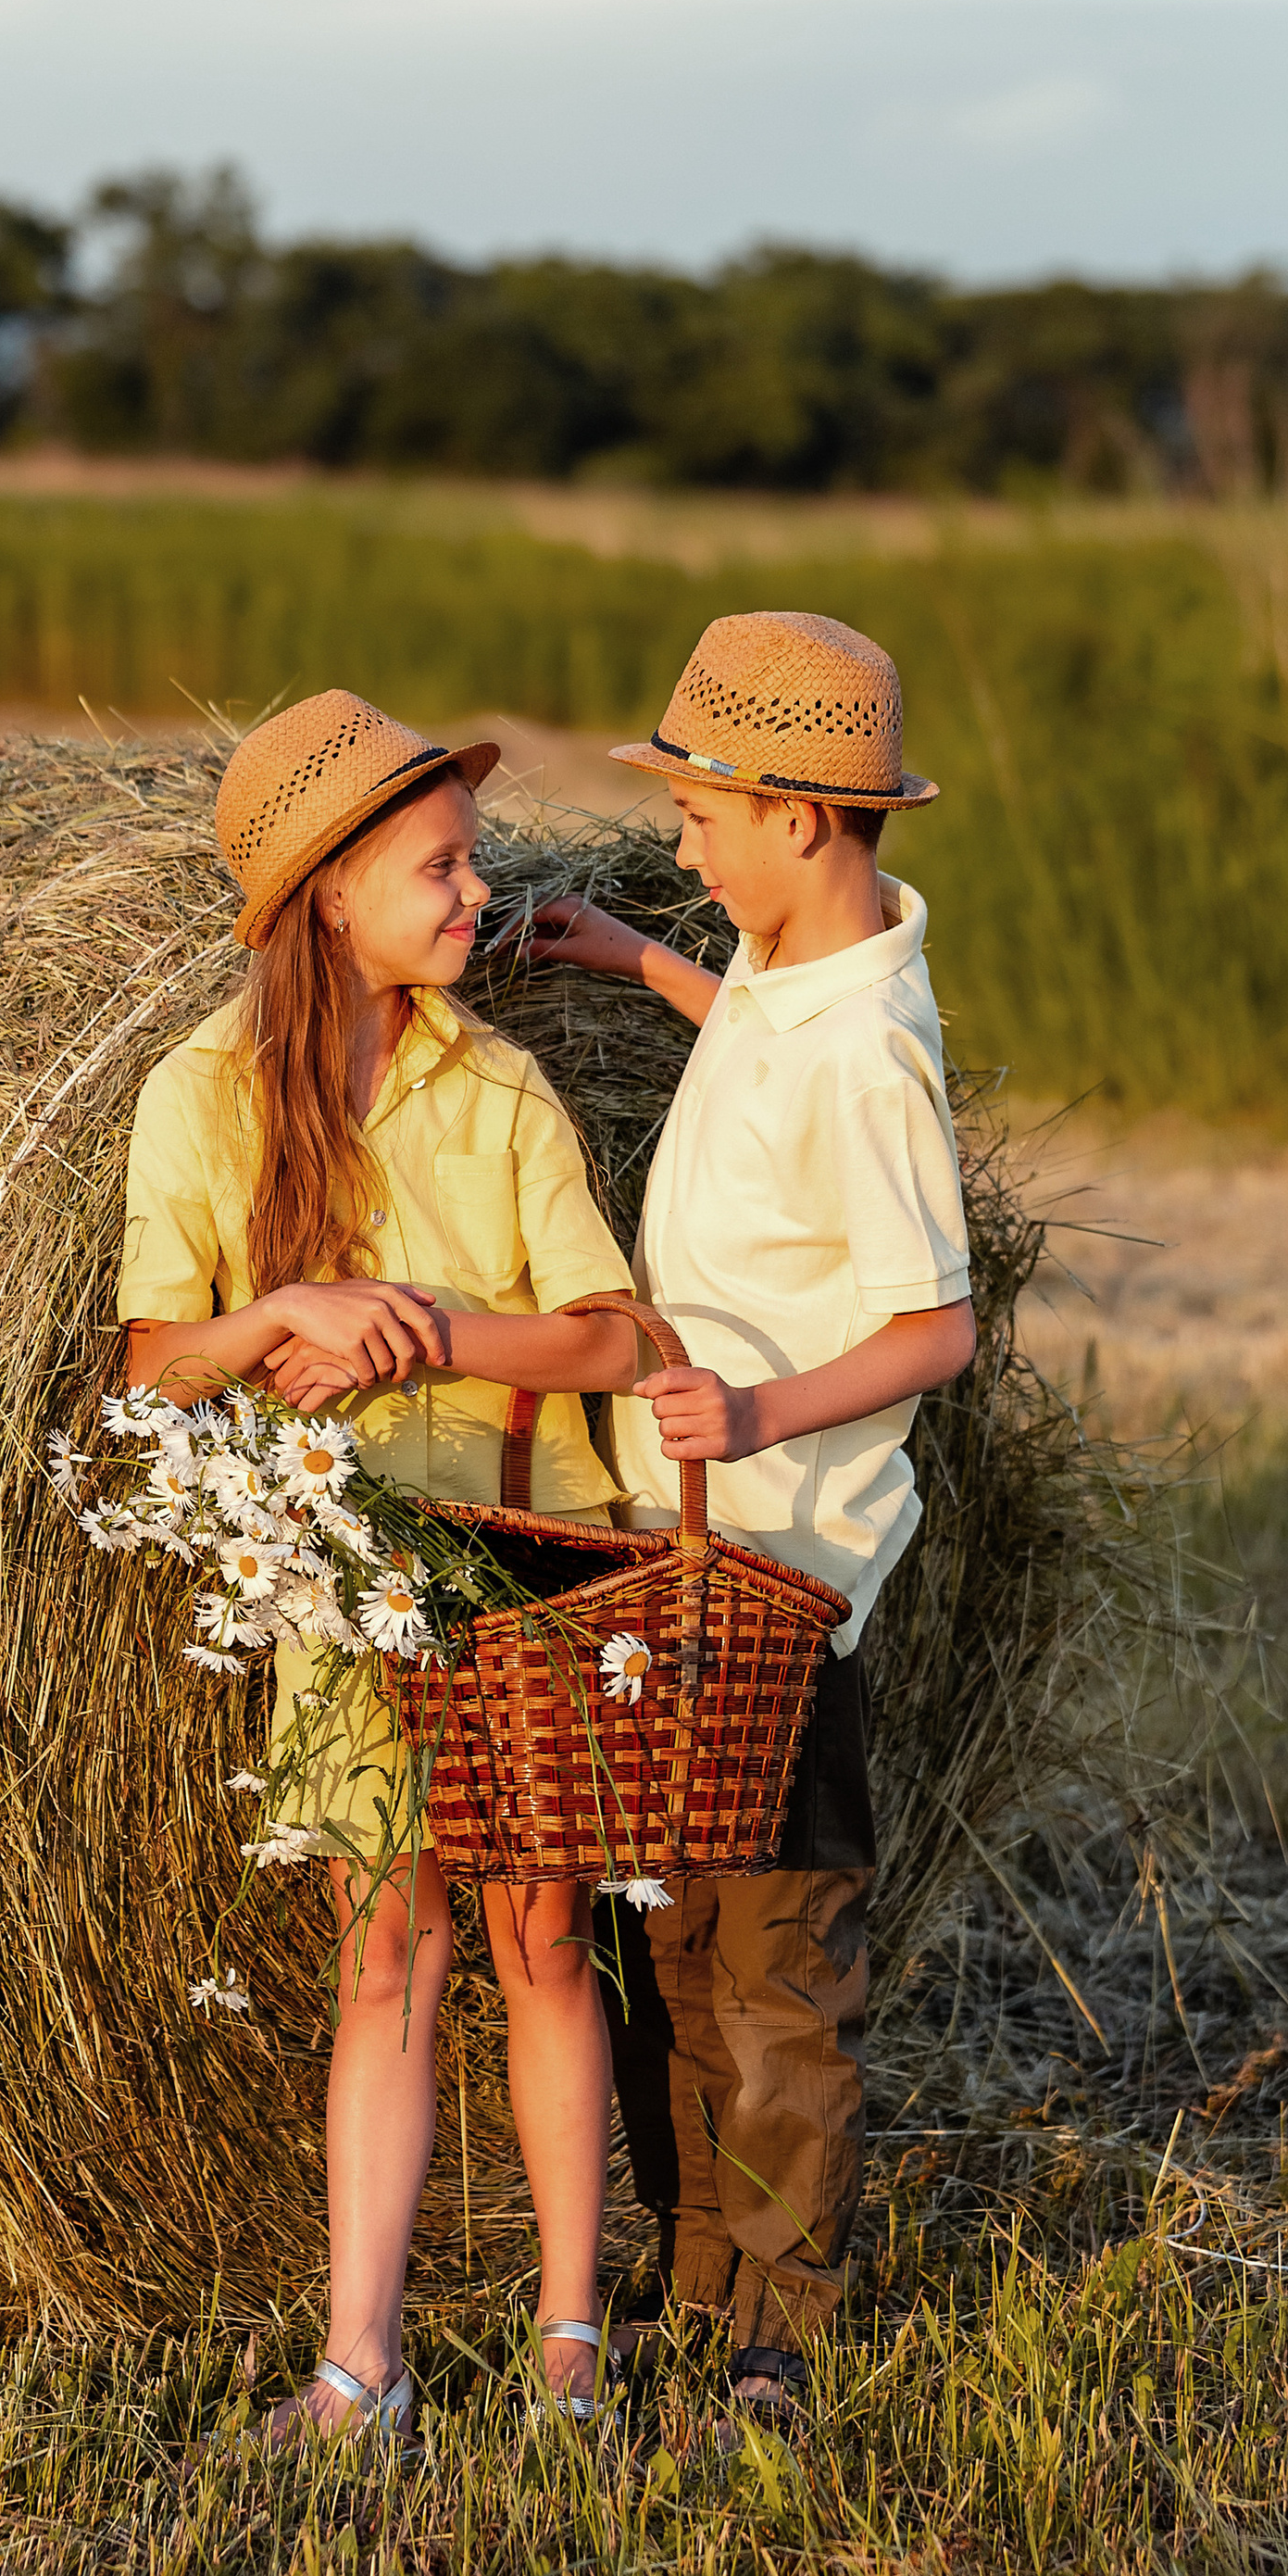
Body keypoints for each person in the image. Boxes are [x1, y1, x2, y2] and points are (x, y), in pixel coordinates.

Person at [119, 687, 641, 2446]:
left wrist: (426, 1338)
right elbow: (150, 1365)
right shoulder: (198, 1095)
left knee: (546, 1935)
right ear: (328, 893)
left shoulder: (499, 1089)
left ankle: (573, 2338)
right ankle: (366, 2364)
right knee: (385, 1955)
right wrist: (275, 1314)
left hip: (528, 1557)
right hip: (341, 1574)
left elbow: (620, 1342)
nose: (474, 893)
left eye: (473, 861)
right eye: (440, 865)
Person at [524, 609, 976, 2424]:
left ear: (798, 817)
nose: (684, 841)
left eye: (699, 813)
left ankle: (774, 2324)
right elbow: (762, 1064)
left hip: (779, 1571)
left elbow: (934, 1319)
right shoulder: (794, 977)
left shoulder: (870, 1048)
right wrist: (650, 965)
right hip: (687, 1557)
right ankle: (694, 2269)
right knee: (679, 1941)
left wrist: (759, 1406)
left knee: (775, 1960)